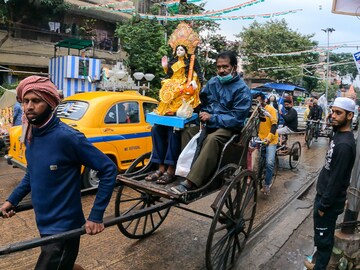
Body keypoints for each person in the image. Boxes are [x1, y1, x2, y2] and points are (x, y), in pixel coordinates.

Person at [0, 76, 117, 270]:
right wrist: (12, 200)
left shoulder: (67, 137)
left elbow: (108, 169)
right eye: (26, 101)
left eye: (36, 101)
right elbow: (32, 173)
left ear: (50, 103)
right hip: (44, 223)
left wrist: (96, 216)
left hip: (64, 229)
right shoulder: (31, 134)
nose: (29, 106)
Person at [171, 51, 252, 194]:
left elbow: (237, 117)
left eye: (225, 67)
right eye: (219, 67)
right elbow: (201, 102)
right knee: (186, 132)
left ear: (234, 67)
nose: (221, 70)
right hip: (209, 123)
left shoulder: (242, 89)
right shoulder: (213, 82)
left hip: (229, 127)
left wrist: (212, 117)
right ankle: (183, 172)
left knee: (212, 139)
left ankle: (192, 181)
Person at [145, 22, 203, 185]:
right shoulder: (174, 65)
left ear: (186, 52)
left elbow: (194, 84)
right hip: (169, 99)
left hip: (182, 102)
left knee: (174, 132)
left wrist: (191, 85)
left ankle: (171, 168)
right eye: (177, 49)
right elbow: (168, 74)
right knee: (157, 129)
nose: (179, 51)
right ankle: (160, 166)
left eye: (182, 49)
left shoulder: (190, 67)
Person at [304, 97, 356, 270]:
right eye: (332, 111)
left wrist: (323, 205)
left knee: (324, 239)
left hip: (327, 203)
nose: (332, 115)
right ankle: (318, 263)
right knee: (321, 237)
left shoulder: (345, 145)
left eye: (338, 113)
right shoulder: (338, 134)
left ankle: (319, 267)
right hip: (324, 198)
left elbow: (337, 179)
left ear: (350, 116)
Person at [254, 92, 279, 195]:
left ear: (264, 100)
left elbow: (274, 125)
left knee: (269, 163)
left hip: (271, 139)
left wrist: (269, 138)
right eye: (256, 102)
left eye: (259, 101)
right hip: (260, 138)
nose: (257, 103)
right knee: (254, 161)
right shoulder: (255, 110)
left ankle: (267, 184)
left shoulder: (271, 110)